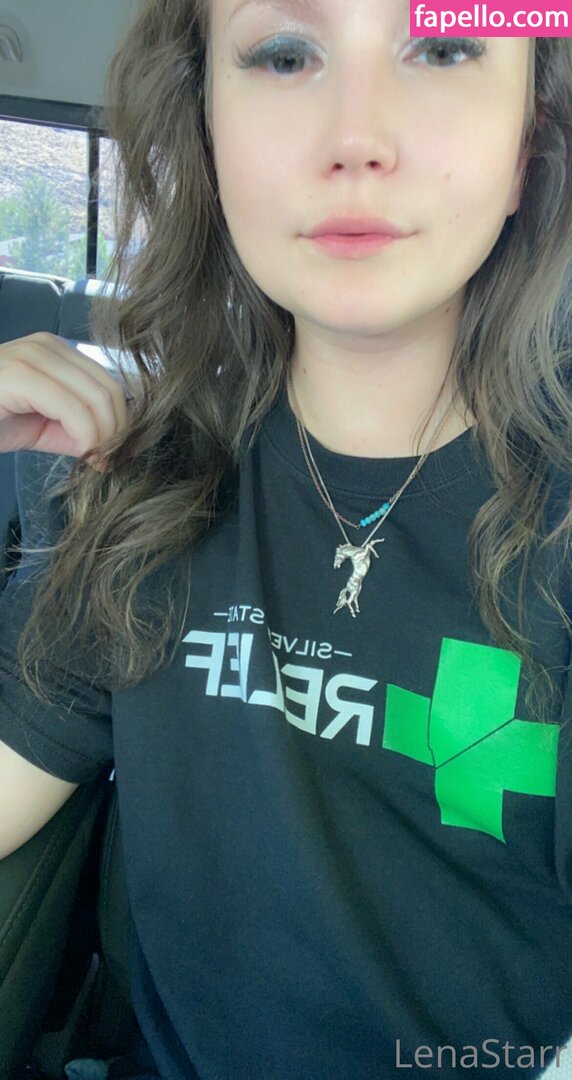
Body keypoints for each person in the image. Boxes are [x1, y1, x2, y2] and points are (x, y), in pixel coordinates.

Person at [0, 0, 571, 1076]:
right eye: (283, 54)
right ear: (207, 130)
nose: (356, 137)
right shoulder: (136, 487)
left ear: (526, 146)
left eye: (445, 45)